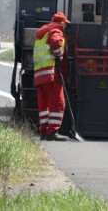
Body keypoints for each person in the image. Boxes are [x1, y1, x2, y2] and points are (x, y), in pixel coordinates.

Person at [33, 12, 72, 141]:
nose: (65, 26)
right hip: (51, 73)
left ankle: (44, 131)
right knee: (58, 103)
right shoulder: (56, 31)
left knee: (44, 105)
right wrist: (59, 54)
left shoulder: (42, 33)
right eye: (65, 24)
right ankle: (53, 131)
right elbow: (55, 43)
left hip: (40, 74)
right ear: (61, 23)